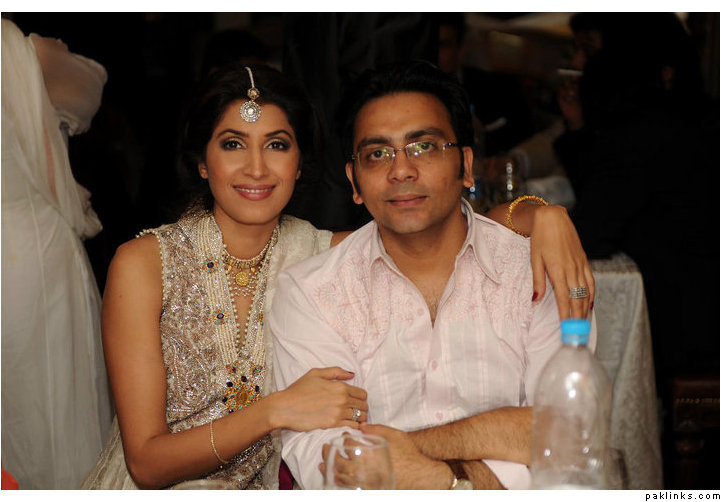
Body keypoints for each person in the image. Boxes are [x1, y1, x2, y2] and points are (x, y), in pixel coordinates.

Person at [81, 60, 592, 489]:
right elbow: (145, 463)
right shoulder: (150, 262)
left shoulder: (324, 250)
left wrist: (539, 215)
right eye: (233, 144)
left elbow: (435, 223)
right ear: (201, 162)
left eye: (277, 145)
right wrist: (275, 410)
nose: (256, 168)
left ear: (301, 163)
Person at [270, 61, 597, 490]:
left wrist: (431, 470)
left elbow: (565, 436)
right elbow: (330, 465)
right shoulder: (313, 292)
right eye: (377, 154)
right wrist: (493, 447)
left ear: (466, 165)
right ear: (354, 181)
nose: (401, 170)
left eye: (423, 146)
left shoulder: (537, 271)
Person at [1, 19, 113, 489]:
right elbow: (89, 88)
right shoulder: (19, 48)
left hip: (27, 247)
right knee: (50, 412)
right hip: (27, 247)